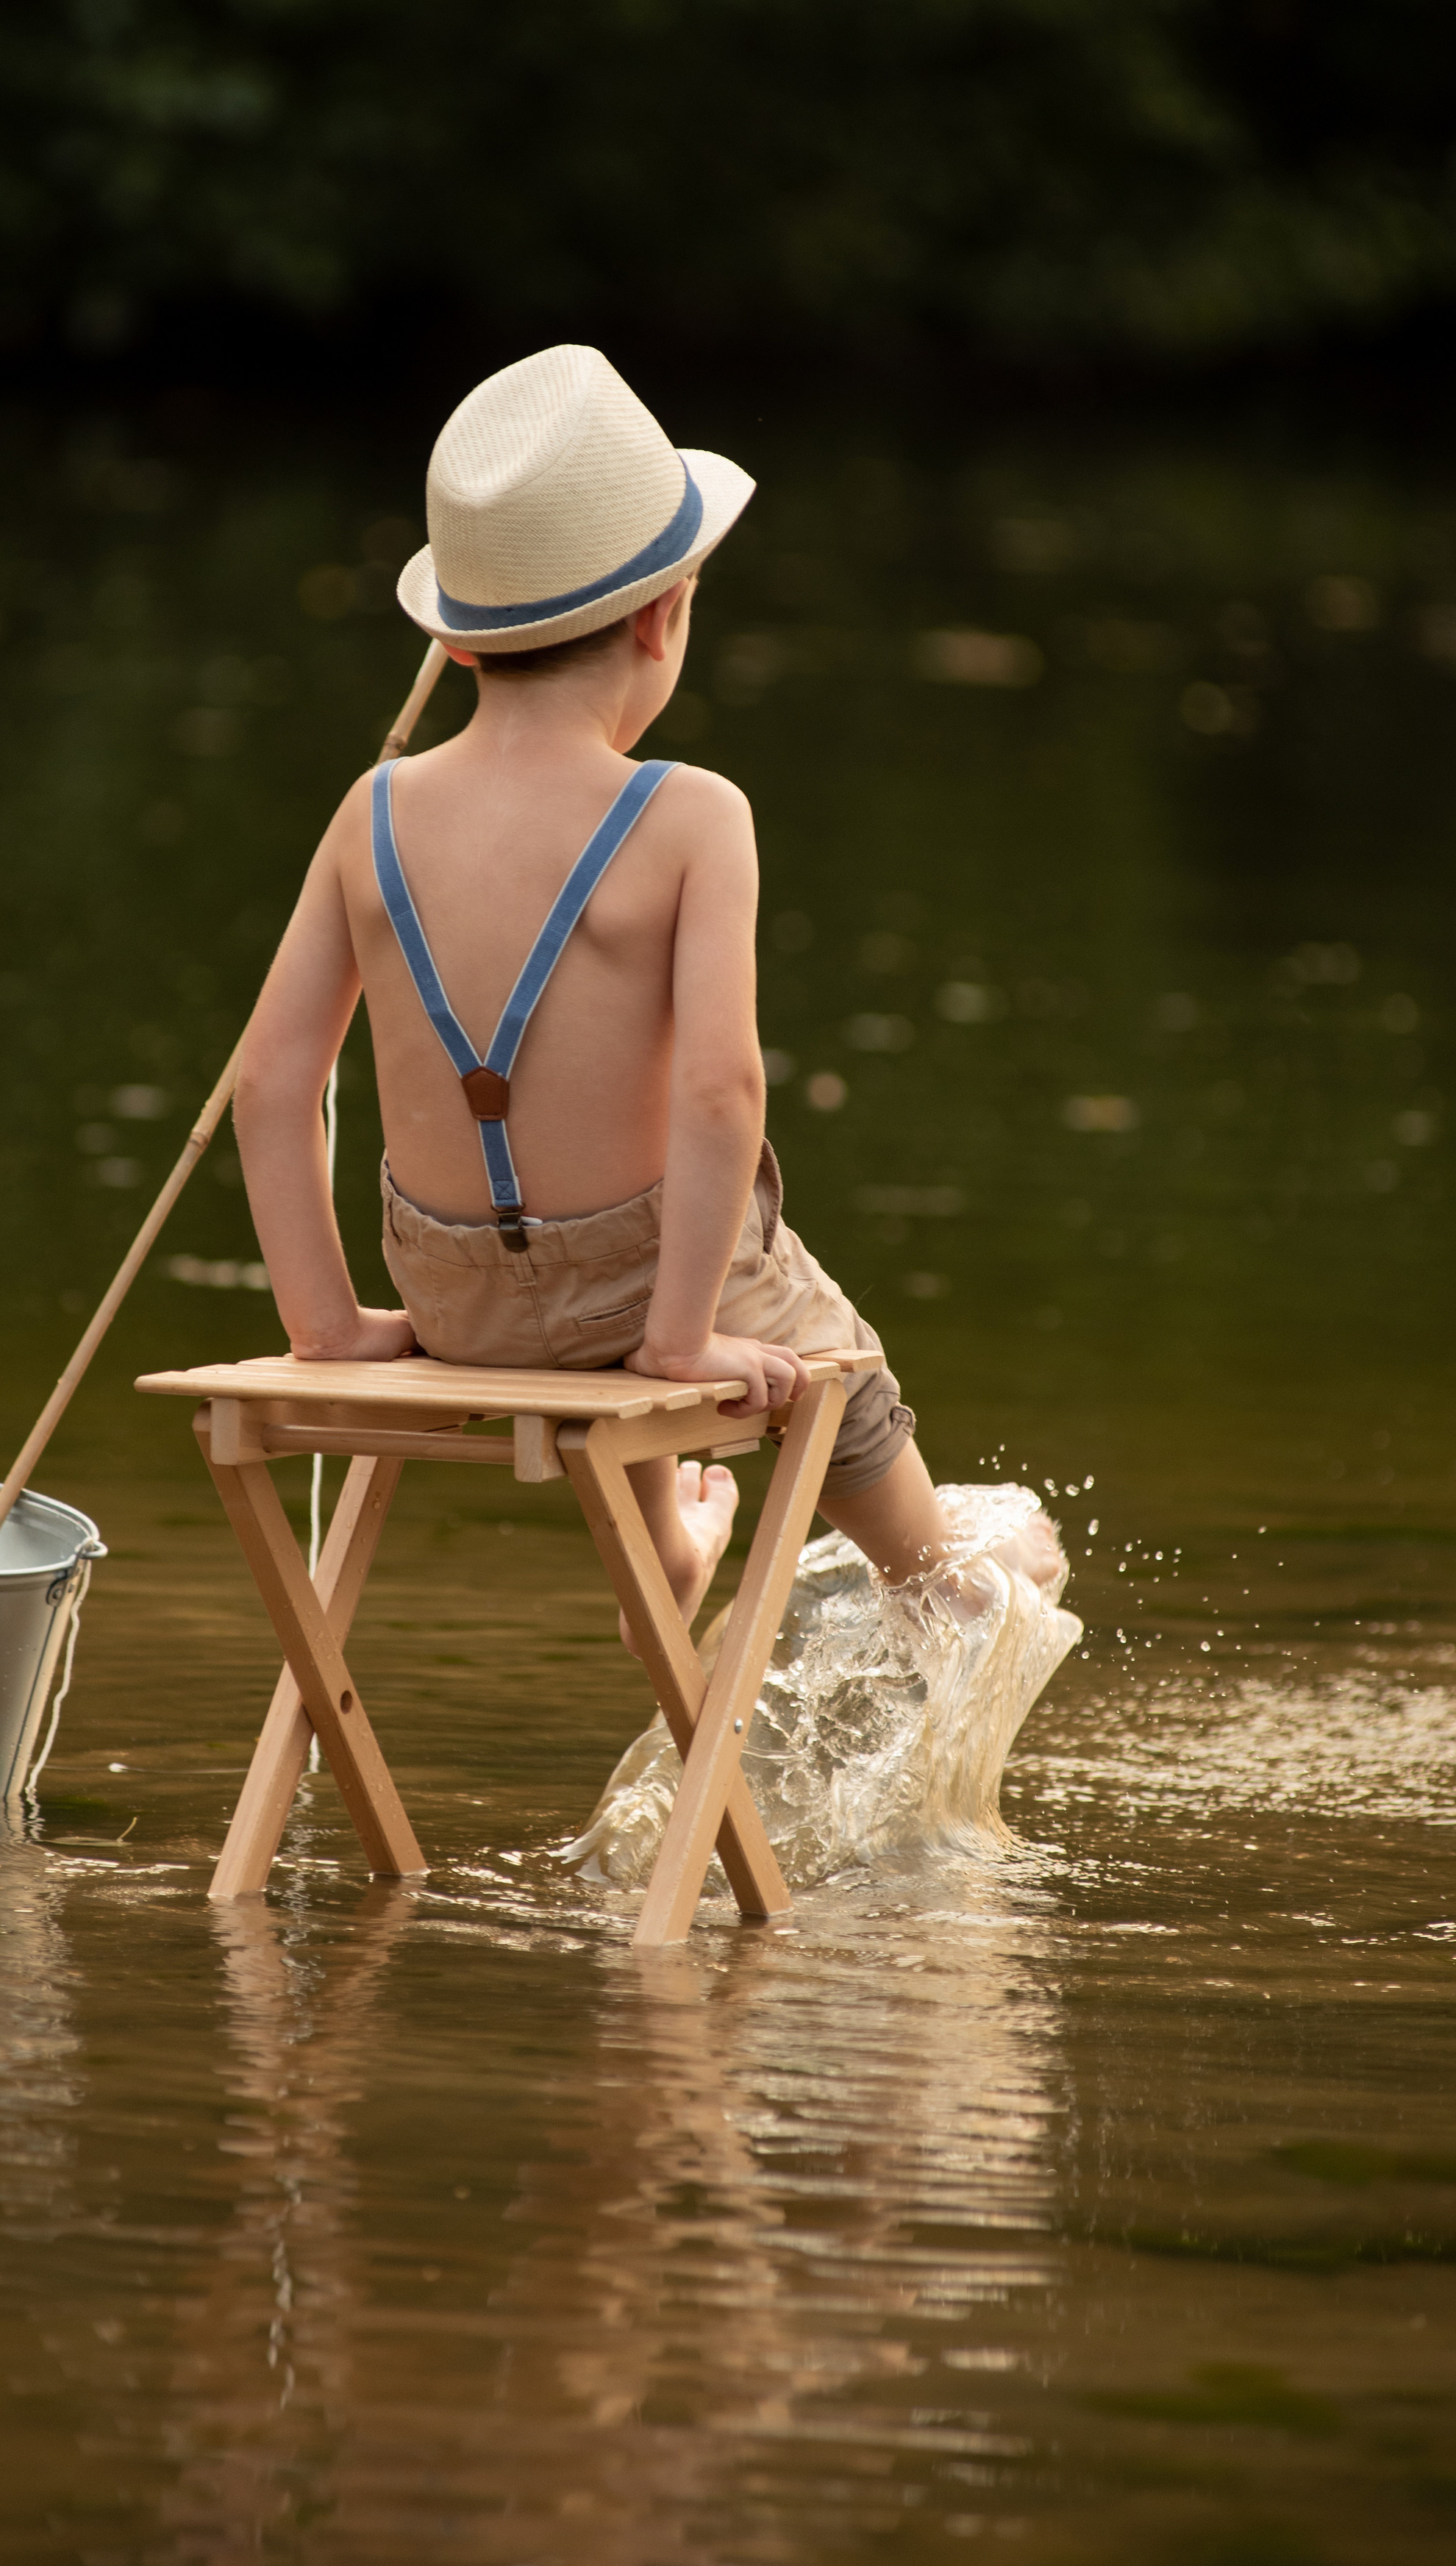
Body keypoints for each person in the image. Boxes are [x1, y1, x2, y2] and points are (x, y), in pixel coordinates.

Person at [235, 345, 1056, 1644]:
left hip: (450, 1297)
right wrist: (679, 1343)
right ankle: (945, 1581)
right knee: (860, 1403)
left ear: (453, 641)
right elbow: (723, 1093)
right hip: (651, 1292)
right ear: (663, 618)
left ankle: (667, 1542)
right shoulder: (692, 815)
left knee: (592, 1283)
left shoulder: (370, 814)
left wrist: (327, 1325)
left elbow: (274, 1086)